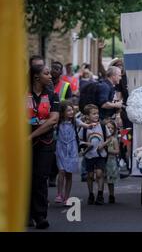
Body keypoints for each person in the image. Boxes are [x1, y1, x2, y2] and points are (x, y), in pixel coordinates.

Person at [27, 64, 60, 229]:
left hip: (45, 142)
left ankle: (40, 216)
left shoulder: (53, 95)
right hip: (23, 143)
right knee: (26, 178)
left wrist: (31, 135)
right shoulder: (22, 95)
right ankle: (26, 214)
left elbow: (53, 120)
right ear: (36, 77)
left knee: (40, 178)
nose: (50, 76)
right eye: (47, 73)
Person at [79, 104, 110, 205]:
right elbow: (79, 140)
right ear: (87, 116)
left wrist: (103, 144)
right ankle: (91, 194)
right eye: (94, 114)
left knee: (100, 174)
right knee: (90, 175)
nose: (96, 115)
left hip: (101, 154)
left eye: (97, 113)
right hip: (89, 155)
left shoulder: (102, 126)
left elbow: (109, 138)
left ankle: (100, 194)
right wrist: (86, 144)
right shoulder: (84, 128)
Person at [54, 101, 79, 206]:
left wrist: (90, 125)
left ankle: (67, 197)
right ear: (62, 112)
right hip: (61, 149)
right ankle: (59, 194)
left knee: (69, 174)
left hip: (72, 149)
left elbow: (84, 125)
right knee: (62, 171)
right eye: (68, 110)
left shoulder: (74, 121)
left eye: (72, 110)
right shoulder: (58, 123)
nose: (71, 112)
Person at [103, 119, 120, 204]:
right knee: (101, 178)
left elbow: (117, 151)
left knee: (110, 181)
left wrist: (108, 150)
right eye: (108, 127)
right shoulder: (102, 138)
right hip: (102, 161)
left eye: (112, 128)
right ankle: (100, 194)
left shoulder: (114, 139)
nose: (110, 130)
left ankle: (111, 195)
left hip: (111, 161)